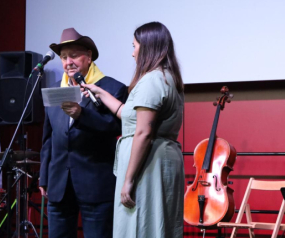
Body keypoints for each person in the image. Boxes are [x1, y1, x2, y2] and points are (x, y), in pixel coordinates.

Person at [83, 22, 185, 237]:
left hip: (149, 166)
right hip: (158, 161)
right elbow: (127, 114)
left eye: (134, 46)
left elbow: (143, 132)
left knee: (142, 224)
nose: (132, 54)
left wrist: (128, 180)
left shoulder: (152, 80)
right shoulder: (166, 78)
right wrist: (99, 92)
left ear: (148, 48)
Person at [38, 28, 128, 238]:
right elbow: (49, 138)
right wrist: (44, 176)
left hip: (95, 185)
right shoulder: (54, 90)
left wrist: (82, 115)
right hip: (59, 185)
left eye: (74, 55)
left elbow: (115, 128)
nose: (68, 61)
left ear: (88, 56)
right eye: (63, 57)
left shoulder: (112, 88)